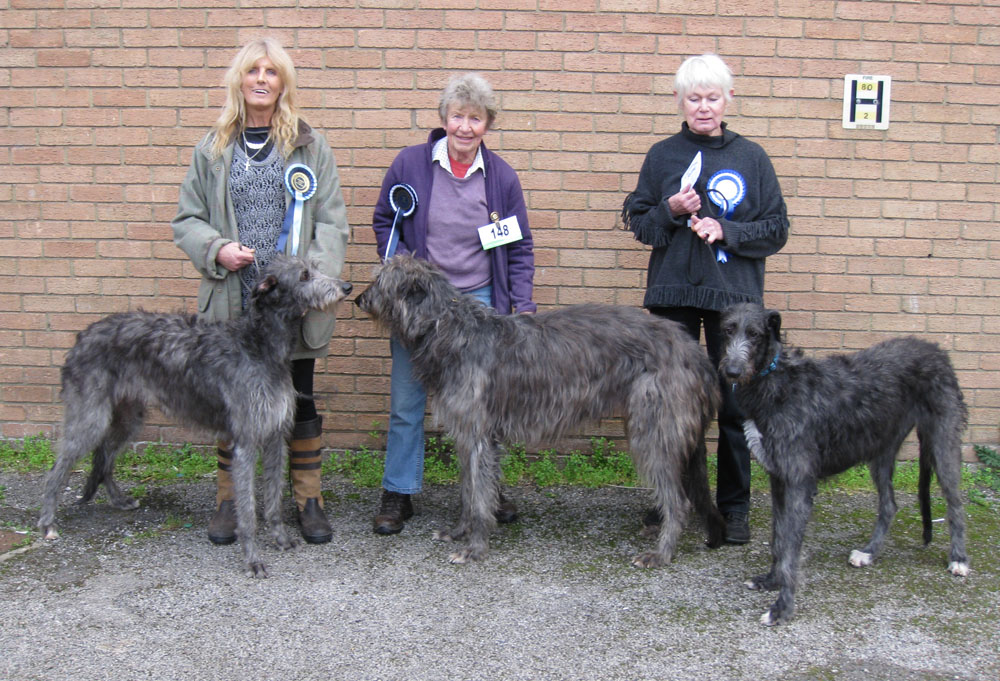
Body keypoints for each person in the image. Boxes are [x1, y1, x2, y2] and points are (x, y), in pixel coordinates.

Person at [172, 38, 349, 546]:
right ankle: (232, 499)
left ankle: (306, 498)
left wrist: (307, 282)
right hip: (233, 299)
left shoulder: (311, 146)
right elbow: (187, 219)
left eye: (272, 72)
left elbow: (333, 224)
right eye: (253, 71)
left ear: (283, 83)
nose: (262, 80)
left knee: (302, 399)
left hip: (290, 306)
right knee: (236, 404)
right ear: (239, 81)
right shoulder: (212, 148)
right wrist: (217, 248)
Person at [622, 54, 789, 544]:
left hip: (734, 302)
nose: (703, 107)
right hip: (673, 296)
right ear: (680, 101)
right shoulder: (662, 156)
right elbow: (641, 225)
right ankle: (670, 497)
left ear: (728, 100)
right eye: (693, 98)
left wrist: (728, 230)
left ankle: (733, 508)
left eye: (712, 97)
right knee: (668, 402)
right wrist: (671, 209)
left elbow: (777, 228)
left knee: (736, 407)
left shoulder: (752, 158)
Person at [370, 73, 536, 535]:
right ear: (444, 118)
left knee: (486, 404)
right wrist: (401, 262)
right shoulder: (411, 164)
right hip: (424, 304)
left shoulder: (501, 177)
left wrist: (521, 304)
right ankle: (399, 491)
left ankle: (489, 489)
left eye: (476, 119)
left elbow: (519, 246)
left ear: (487, 124)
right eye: (458, 116)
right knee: (408, 399)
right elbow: (386, 217)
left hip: (482, 301)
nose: (465, 127)